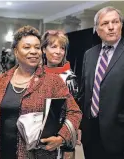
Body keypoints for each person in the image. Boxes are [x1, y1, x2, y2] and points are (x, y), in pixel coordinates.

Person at [0, 25, 82, 159]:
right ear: (16, 51)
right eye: (27, 47)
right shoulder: (3, 79)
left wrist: (62, 137)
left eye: (37, 47)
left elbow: (74, 112)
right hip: (5, 150)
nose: (34, 51)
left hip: (37, 154)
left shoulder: (52, 81)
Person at [79, 6, 124, 159]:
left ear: (121, 25)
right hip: (90, 134)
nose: (111, 27)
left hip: (119, 135)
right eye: (105, 23)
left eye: (115, 22)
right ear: (97, 29)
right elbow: (85, 93)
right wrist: (79, 126)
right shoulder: (89, 55)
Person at [41, 29, 80, 158]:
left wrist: (68, 145)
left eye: (62, 48)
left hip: (59, 139)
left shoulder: (68, 78)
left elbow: (73, 114)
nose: (58, 52)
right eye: (53, 47)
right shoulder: (36, 73)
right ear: (43, 49)